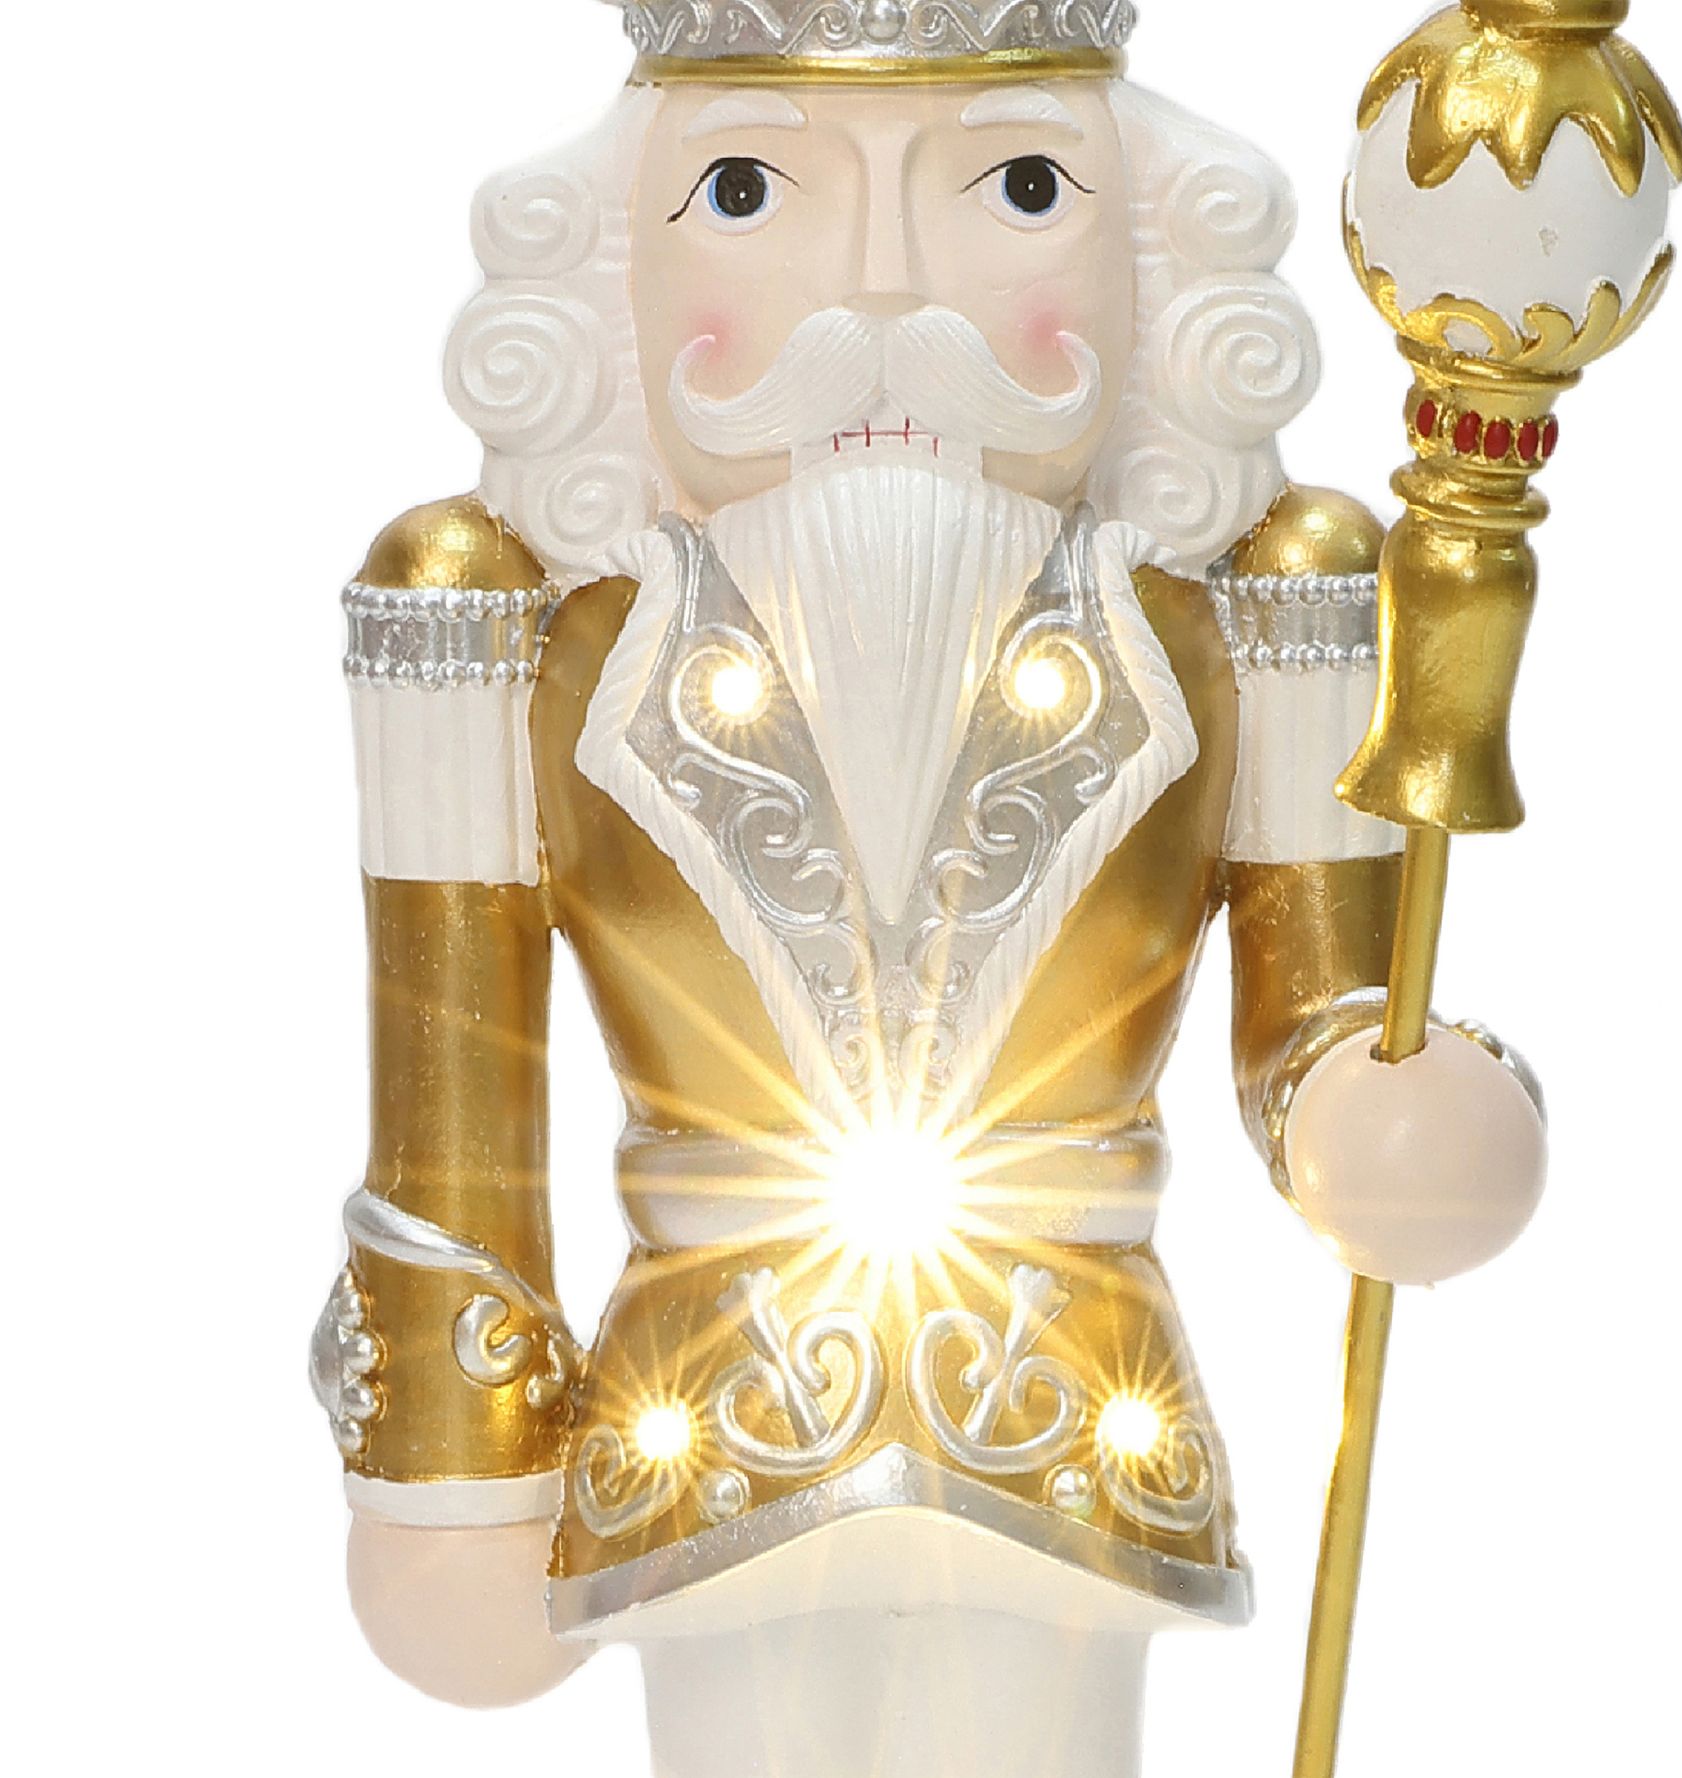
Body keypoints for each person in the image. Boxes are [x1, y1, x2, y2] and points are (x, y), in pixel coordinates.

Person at [312, 4, 1548, 1772]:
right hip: (708, 1432)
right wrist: (450, 1467)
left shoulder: (1251, 612)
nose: (881, 294)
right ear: (607, 267)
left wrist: (1394, 1115)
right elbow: (452, 1111)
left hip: (1070, 1420)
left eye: (1019, 187)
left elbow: (1322, 1026)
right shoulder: (513, 632)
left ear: (1150, 252)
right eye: (750, 192)